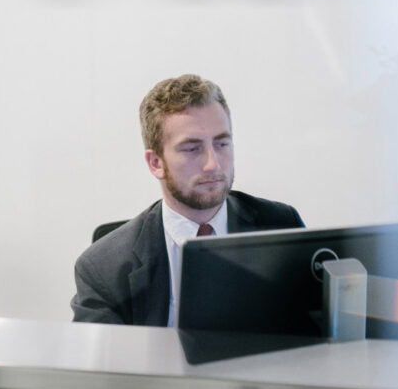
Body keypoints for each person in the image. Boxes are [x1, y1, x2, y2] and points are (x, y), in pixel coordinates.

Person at [71, 74, 304, 326]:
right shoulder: (103, 267)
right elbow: (99, 364)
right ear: (156, 163)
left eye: (222, 143)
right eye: (192, 149)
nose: (213, 164)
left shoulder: (281, 226)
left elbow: (316, 338)